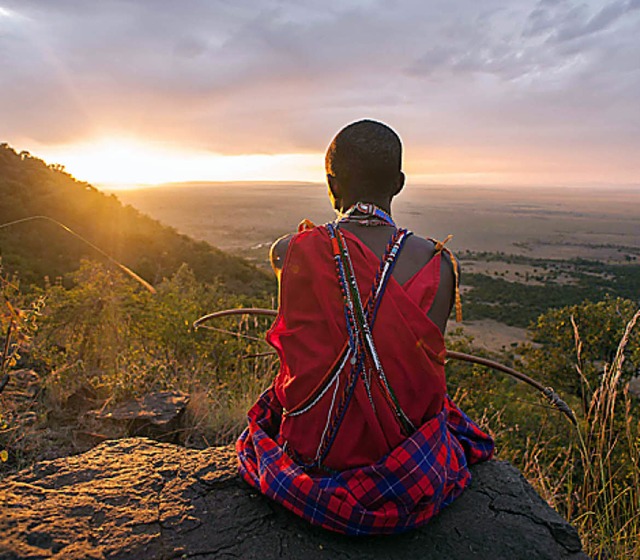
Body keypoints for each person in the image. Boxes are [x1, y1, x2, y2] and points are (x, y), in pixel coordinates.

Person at [236, 119, 494, 535]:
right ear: (399, 183)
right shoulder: (438, 265)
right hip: (405, 463)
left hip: (311, 452)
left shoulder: (289, 252)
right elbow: (417, 376)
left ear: (331, 184)